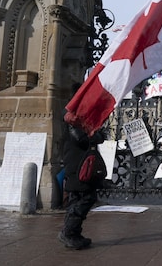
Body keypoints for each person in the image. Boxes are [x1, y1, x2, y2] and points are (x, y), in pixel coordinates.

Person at [58, 83, 106, 250]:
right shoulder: (73, 117)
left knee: (77, 199)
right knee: (86, 198)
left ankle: (74, 233)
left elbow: (99, 136)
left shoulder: (79, 116)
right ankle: (69, 232)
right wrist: (94, 133)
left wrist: (95, 132)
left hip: (79, 162)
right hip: (78, 164)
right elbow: (84, 138)